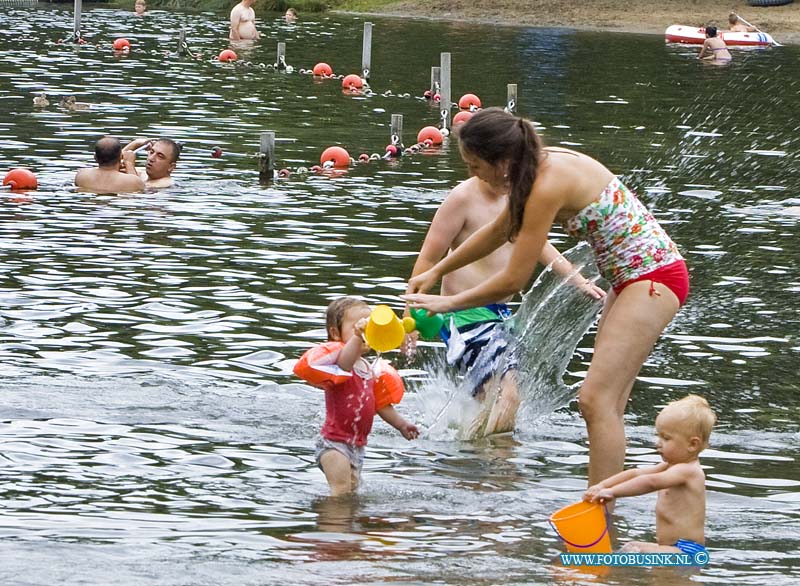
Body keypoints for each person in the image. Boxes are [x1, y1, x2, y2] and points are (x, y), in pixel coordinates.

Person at [402, 108, 689, 490]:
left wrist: (448, 304)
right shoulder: (537, 165)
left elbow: (513, 281)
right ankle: (604, 513)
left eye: (474, 166)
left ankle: (598, 513)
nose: (472, 175)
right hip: (629, 278)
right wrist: (438, 270)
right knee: (607, 404)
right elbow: (499, 230)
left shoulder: (545, 186)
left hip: (653, 279)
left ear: (501, 162)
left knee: (596, 402)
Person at [406, 175, 605, 437]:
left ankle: (472, 465)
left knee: (489, 404)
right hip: (464, 317)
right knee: (507, 396)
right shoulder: (462, 199)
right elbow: (428, 259)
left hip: (500, 317)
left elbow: (539, 245)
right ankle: (500, 470)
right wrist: (409, 317)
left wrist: (577, 279)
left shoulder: (517, 198)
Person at [294, 297, 419, 496]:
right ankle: (332, 524)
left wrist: (402, 425)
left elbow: (381, 405)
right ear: (335, 333)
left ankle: (344, 525)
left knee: (351, 492)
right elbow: (345, 361)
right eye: (358, 327)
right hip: (333, 444)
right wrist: (358, 337)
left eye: (369, 326)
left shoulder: (368, 368)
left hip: (356, 446)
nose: (365, 333)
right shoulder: (340, 364)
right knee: (341, 491)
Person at [584, 395, 715, 555]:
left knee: (634, 551)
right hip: (673, 548)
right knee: (632, 548)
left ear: (692, 444)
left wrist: (613, 492)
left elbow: (651, 482)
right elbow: (635, 473)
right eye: (658, 436)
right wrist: (603, 485)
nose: (658, 443)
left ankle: (604, 572)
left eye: (666, 438)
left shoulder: (688, 471)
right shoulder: (669, 466)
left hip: (687, 552)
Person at [75, 136, 145, 194]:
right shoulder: (132, 181)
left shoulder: (81, 175)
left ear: (95, 157)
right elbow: (138, 186)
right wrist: (129, 163)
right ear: (121, 157)